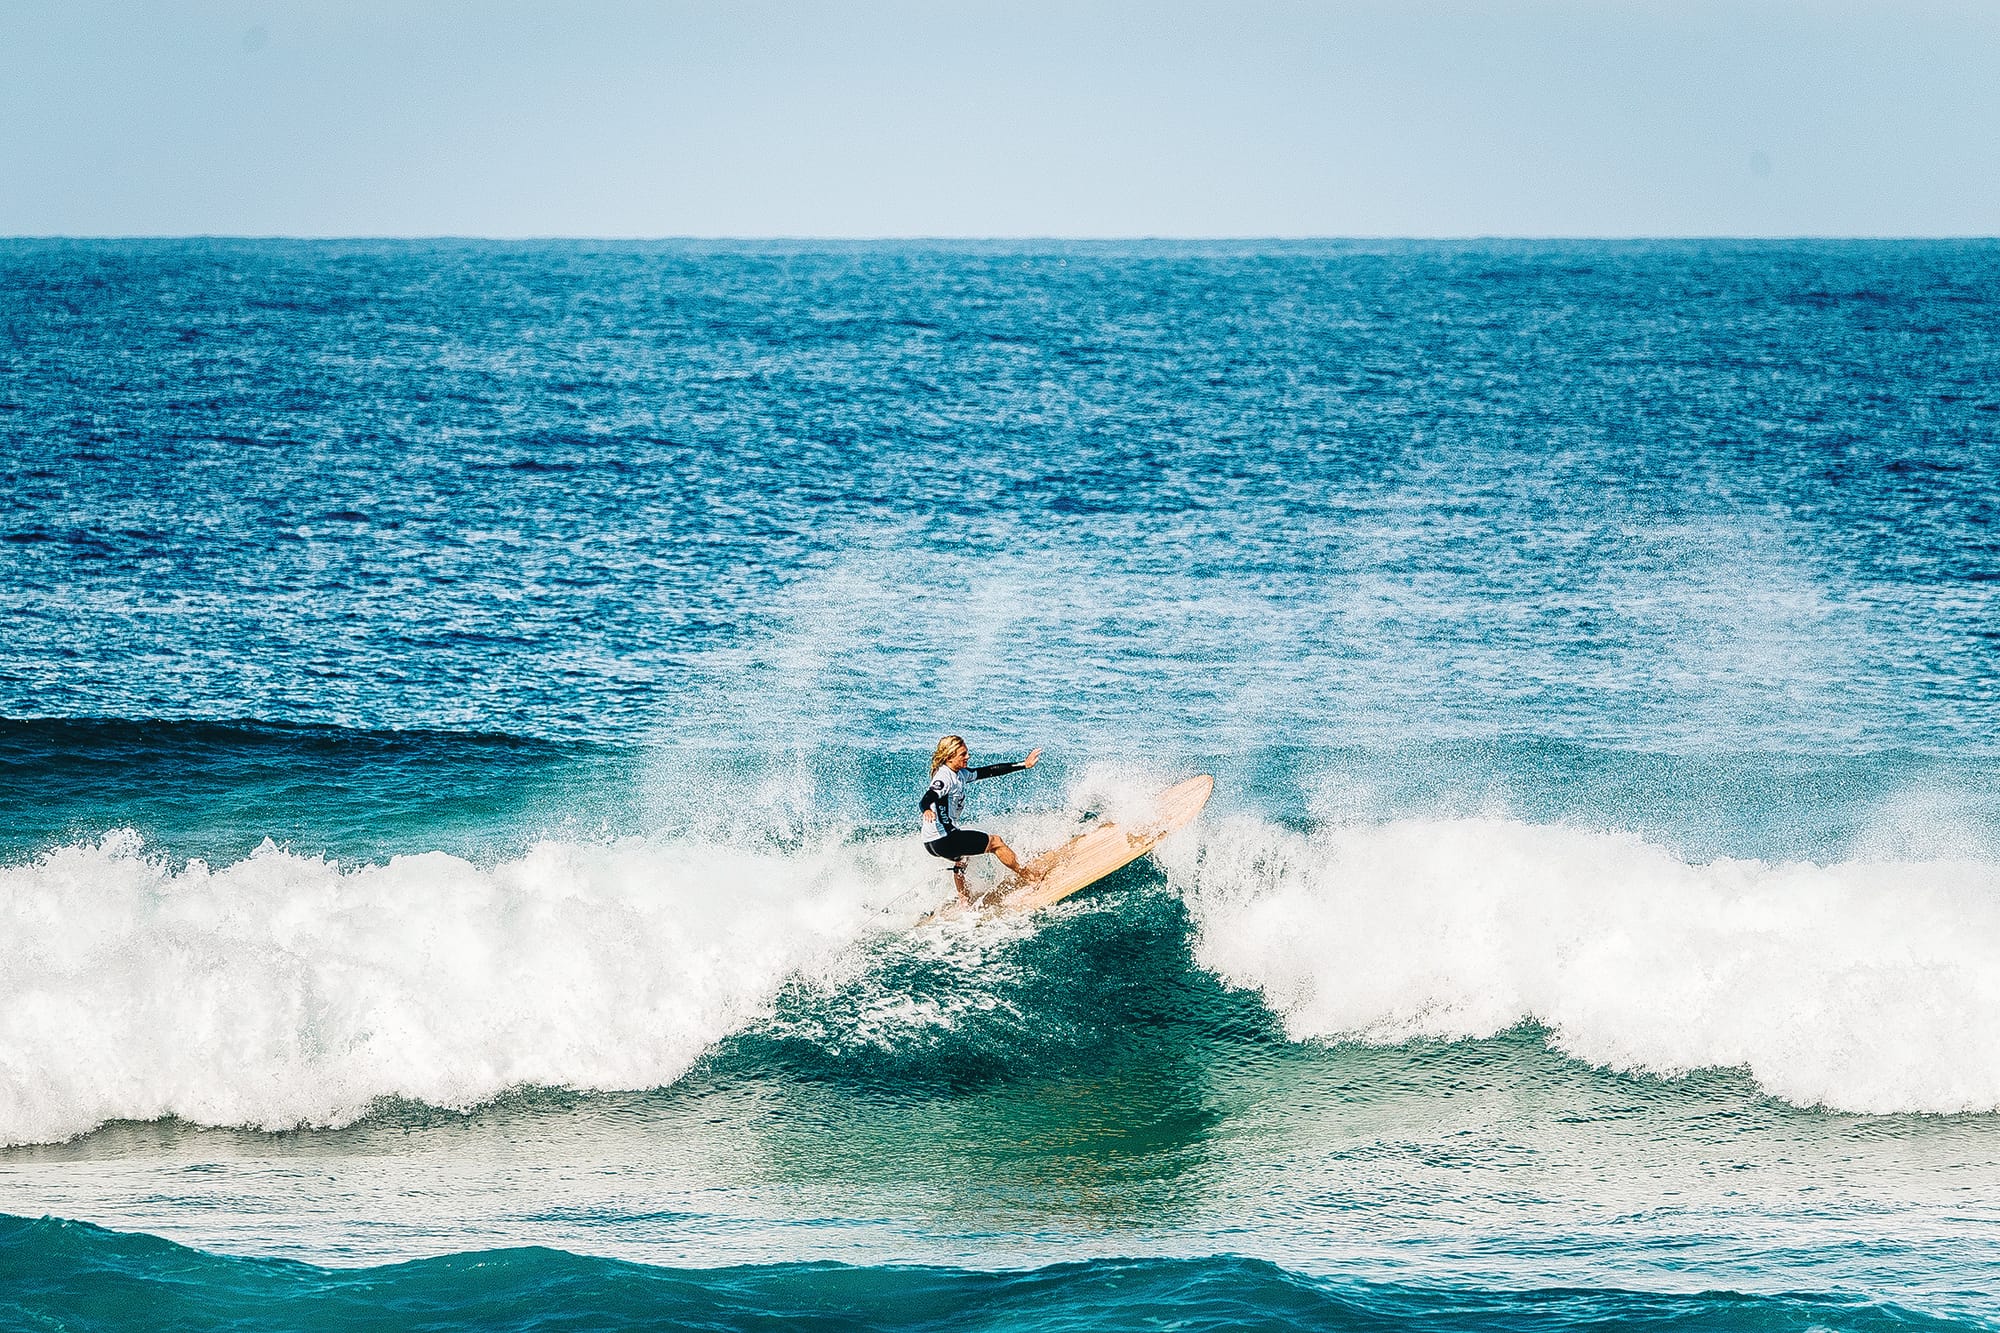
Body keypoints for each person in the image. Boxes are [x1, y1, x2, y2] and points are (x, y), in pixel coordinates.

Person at [919, 734, 1042, 905]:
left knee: (962, 858)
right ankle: (1031, 878)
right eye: (962, 754)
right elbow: (927, 797)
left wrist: (1024, 764)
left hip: (931, 842)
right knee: (996, 842)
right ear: (949, 756)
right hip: (944, 839)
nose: (967, 757)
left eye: (966, 753)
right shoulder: (944, 778)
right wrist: (925, 808)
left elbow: (989, 771)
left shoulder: (960, 773)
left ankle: (964, 901)